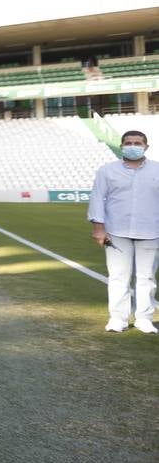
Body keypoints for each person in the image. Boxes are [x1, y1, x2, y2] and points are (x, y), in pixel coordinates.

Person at [88, 130, 158, 334]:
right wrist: (98, 227)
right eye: (128, 143)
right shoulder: (107, 171)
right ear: (122, 146)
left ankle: (144, 318)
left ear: (146, 146)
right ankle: (118, 318)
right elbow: (97, 198)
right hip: (116, 231)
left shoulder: (157, 170)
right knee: (118, 276)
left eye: (137, 142)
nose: (133, 146)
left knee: (147, 277)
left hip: (151, 230)